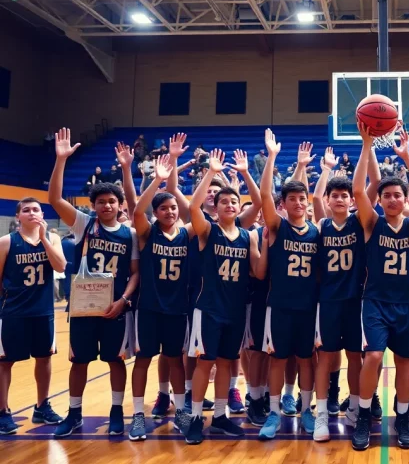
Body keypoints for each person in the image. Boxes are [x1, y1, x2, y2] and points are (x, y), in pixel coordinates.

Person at [48, 129, 140, 439]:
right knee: (80, 361)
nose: (106, 206)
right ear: (95, 205)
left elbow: (135, 272)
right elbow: (55, 199)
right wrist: (61, 160)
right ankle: (74, 413)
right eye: (101, 202)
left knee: (116, 360)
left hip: (116, 306)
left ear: (119, 205)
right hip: (84, 307)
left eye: (112, 201)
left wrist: (124, 301)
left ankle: (116, 411)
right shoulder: (85, 225)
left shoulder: (130, 234)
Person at [351, 122, 409, 451]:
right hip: (375, 302)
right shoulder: (372, 223)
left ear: (404, 199)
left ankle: (402, 416)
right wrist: (366, 146)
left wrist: (407, 156)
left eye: (398, 194)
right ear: (381, 200)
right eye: (387, 195)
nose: (393, 199)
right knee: (371, 357)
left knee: (404, 361)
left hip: (407, 305)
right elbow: (358, 190)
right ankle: (364, 414)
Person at [184, 149, 260, 445]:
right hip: (209, 308)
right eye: (223, 201)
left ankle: (219, 416)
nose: (229, 204)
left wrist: (243, 174)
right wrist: (212, 173)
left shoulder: (246, 235)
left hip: (236, 309)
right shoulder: (207, 231)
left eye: (234, 201)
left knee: (227, 363)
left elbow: (258, 202)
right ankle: (193, 418)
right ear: (215, 206)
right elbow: (192, 207)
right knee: (206, 363)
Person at [127, 155, 194, 441]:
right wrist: (157, 180)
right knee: (143, 360)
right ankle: (138, 415)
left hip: (177, 308)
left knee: (175, 360)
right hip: (150, 308)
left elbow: (196, 213)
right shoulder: (147, 232)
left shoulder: (186, 233)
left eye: (173, 207)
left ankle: (180, 411)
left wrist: (176, 174)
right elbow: (137, 212)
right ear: (156, 212)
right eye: (164, 208)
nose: (170, 212)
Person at [258, 133, 320, 440]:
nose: (298, 203)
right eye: (292, 199)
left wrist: (303, 169)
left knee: (306, 359)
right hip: (279, 305)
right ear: (284, 205)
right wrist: (272, 157)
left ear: (308, 203)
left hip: (308, 307)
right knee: (278, 359)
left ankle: (306, 409)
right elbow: (265, 196)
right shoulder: (277, 227)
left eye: (302, 199)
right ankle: (273, 412)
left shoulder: (317, 232)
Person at [309, 147, 367, 442]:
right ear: (329, 201)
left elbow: (366, 186)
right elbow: (316, 197)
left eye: (345, 195)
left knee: (356, 357)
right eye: (336, 195)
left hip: (356, 300)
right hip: (329, 300)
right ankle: (321, 415)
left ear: (352, 200)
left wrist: (366, 147)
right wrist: (326, 170)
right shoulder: (320, 225)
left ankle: (356, 409)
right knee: (326, 356)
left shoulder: (360, 222)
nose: (340, 199)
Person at [0, 198, 67, 434]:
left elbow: (60, 267)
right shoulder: (6, 242)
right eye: (26, 210)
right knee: (5, 361)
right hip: (13, 312)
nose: (31, 213)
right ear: (18, 216)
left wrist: (44, 239)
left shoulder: (53, 239)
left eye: (36, 209)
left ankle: (42, 406)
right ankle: (3, 411)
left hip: (43, 311)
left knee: (44, 358)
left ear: (42, 215)